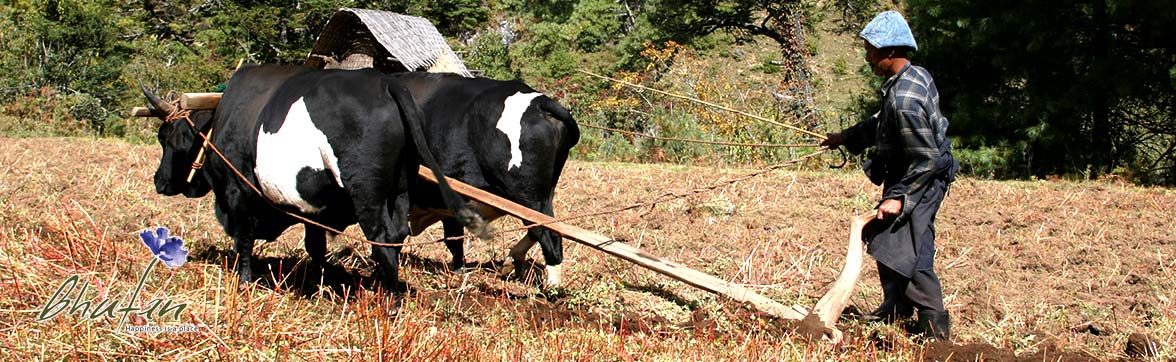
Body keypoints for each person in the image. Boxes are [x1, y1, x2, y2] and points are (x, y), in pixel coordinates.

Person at [819, 10, 958, 341]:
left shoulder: (906, 99)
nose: (867, 58)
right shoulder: (911, 79)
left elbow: (925, 158)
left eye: (871, 50)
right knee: (888, 237)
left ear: (891, 52)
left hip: (921, 177)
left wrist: (899, 197)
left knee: (910, 248)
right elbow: (883, 121)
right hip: (911, 172)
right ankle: (895, 306)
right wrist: (846, 137)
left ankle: (935, 330)